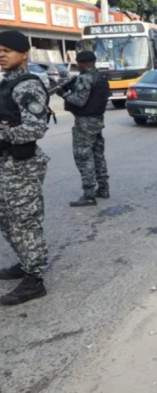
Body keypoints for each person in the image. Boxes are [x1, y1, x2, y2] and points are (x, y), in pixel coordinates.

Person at [0, 30, 51, 306]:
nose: (1, 54)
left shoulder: (27, 86)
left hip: (22, 165)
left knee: (23, 220)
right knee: (7, 219)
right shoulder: (8, 82)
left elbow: (35, 128)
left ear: (23, 54)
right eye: (0, 49)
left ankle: (35, 279)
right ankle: (25, 261)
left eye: (8, 50)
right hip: (7, 163)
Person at [56, 51, 111, 207]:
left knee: (83, 156)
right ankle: (103, 188)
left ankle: (88, 194)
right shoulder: (100, 77)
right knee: (97, 155)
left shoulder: (84, 78)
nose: (77, 66)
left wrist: (65, 95)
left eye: (78, 64)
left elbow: (79, 101)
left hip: (85, 122)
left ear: (85, 64)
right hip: (97, 120)